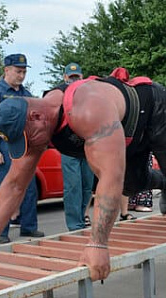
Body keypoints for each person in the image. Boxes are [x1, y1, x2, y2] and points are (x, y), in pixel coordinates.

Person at [0, 68, 166, 281]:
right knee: (129, 187)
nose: (31, 147)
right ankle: (165, 184)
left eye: (28, 139)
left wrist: (98, 244)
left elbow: (109, 176)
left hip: (153, 110)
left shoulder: (88, 110)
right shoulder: (36, 122)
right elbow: (15, 183)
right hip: (124, 134)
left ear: (36, 116)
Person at [0, 53, 44, 244]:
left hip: (24, 147)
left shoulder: (26, 94)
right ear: (6, 70)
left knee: (29, 187)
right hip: (4, 145)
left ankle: (29, 227)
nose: (21, 75)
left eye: (24, 72)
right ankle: (0, 230)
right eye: (18, 71)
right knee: (4, 188)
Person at [59, 63, 95, 231]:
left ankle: (82, 218)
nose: (74, 79)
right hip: (68, 146)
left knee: (87, 186)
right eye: (71, 77)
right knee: (73, 186)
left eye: (77, 77)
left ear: (82, 77)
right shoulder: (58, 93)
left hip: (87, 146)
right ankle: (75, 225)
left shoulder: (88, 94)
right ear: (65, 77)